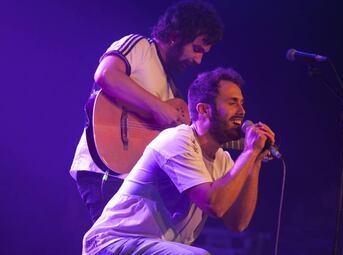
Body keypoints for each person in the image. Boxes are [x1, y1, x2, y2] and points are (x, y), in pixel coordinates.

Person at [82, 67, 276, 255]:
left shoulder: (222, 160)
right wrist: (249, 152)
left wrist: (255, 161)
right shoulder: (177, 140)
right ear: (204, 110)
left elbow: (237, 222)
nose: (242, 111)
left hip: (152, 247)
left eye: (242, 103)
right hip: (111, 244)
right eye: (233, 102)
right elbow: (214, 205)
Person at [70, 0, 224, 222]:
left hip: (131, 179)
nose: (199, 59)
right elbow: (106, 74)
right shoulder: (140, 46)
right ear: (175, 36)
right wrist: (158, 107)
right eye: (196, 48)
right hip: (105, 169)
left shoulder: (171, 86)